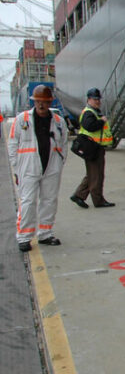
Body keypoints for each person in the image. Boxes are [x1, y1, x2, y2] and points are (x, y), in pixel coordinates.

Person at [7, 85, 68, 252]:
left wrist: (59, 163)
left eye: (45, 102)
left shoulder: (58, 122)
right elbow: (12, 143)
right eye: (38, 101)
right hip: (27, 167)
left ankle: (45, 233)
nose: (41, 105)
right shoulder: (22, 119)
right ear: (34, 101)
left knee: (49, 200)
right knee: (27, 201)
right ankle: (24, 237)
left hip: (51, 167)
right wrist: (16, 166)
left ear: (49, 102)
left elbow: (63, 143)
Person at [70, 88, 116, 208]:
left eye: (98, 99)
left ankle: (79, 195)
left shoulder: (93, 112)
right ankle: (98, 200)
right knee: (97, 175)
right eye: (95, 99)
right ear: (88, 99)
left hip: (95, 147)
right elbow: (90, 126)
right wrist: (101, 121)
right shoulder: (89, 113)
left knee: (92, 174)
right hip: (92, 148)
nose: (97, 101)